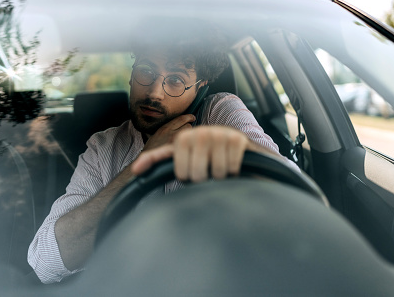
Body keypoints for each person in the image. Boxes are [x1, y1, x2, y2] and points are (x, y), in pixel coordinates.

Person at [28, 18, 299, 284]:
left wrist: (226, 148)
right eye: (146, 71)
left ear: (200, 88)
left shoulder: (220, 112)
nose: (155, 92)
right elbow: (45, 262)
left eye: (176, 80)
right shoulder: (104, 147)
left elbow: (293, 198)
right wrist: (142, 164)